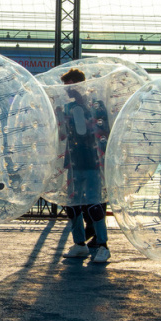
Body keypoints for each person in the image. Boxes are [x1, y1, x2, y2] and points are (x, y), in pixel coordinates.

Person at [57, 68, 111, 263]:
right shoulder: (67, 108)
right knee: (72, 205)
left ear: (78, 84)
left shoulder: (97, 106)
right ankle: (79, 244)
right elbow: (62, 135)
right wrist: (59, 120)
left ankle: (103, 245)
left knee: (94, 203)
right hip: (73, 162)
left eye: (69, 85)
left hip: (92, 161)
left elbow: (104, 131)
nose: (67, 90)